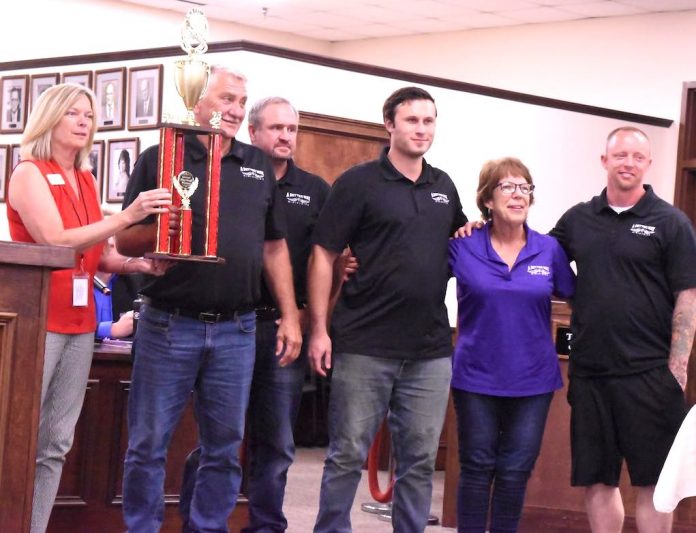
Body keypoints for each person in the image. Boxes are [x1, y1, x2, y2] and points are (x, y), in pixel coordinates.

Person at [115, 66, 302, 533]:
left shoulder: (258, 166)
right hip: (167, 326)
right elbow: (126, 242)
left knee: (224, 447)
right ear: (197, 102)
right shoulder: (162, 157)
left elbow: (273, 246)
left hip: (236, 330)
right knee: (148, 444)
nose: (236, 110)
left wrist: (291, 315)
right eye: (226, 99)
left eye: (242, 101)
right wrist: (158, 233)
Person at [5, 82, 171, 533]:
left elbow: (97, 253)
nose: (83, 122)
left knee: (57, 440)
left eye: (89, 115)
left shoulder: (86, 178)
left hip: (80, 325)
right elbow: (55, 241)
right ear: (50, 119)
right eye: (73, 113)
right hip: (37, 321)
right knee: (16, 438)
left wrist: (137, 262)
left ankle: (32, 526)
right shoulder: (28, 173)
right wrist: (128, 215)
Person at [308, 86, 467, 533]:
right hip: (364, 343)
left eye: (429, 121)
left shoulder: (443, 185)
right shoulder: (358, 183)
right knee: (347, 454)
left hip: (430, 349)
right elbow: (323, 254)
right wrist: (319, 329)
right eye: (412, 120)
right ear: (389, 125)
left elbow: (460, 242)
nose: (422, 129)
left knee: (418, 460)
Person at [180, 95, 332, 532]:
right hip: (233, 325)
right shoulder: (232, 179)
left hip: (286, 330)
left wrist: (307, 318)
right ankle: (198, 524)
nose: (286, 136)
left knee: (278, 443)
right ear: (254, 132)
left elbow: (327, 259)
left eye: (292, 129)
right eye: (277, 128)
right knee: (218, 439)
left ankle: (267, 526)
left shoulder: (315, 189)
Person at [550, 126, 696, 533]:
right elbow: (534, 260)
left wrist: (677, 367)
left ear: (648, 164)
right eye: (620, 155)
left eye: (637, 156)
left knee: (654, 483)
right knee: (597, 479)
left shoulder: (671, 223)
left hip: (650, 374)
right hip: (591, 372)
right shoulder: (578, 219)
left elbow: (688, 295)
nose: (628, 163)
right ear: (604, 161)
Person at [449, 157, 575, 532]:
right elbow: (419, 274)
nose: (519, 194)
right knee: (475, 469)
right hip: (475, 378)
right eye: (508, 187)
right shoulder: (463, 245)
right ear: (487, 199)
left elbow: (581, 298)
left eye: (525, 187)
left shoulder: (548, 249)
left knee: (514, 472)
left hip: (533, 381)